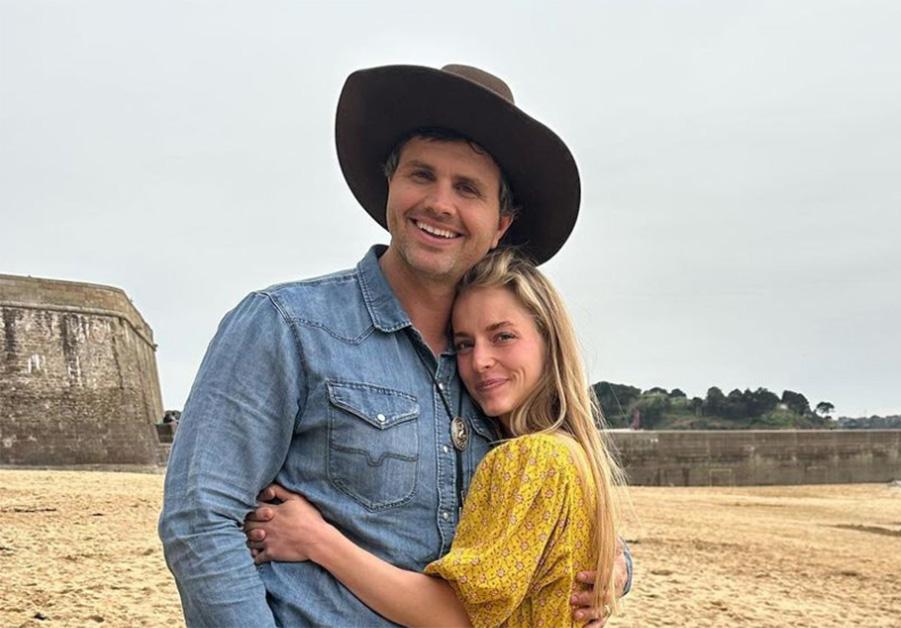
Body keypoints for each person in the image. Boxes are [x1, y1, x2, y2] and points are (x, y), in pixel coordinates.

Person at [158, 64, 631, 626]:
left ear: (500, 223)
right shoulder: (286, 324)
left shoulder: (494, 374)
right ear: (390, 185)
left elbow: (548, 510)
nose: (439, 203)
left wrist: (616, 569)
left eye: (468, 188)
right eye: (421, 175)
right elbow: (201, 518)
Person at [243, 248, 626, 626]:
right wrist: (619, 569)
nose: (480, 361)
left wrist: (317, 540)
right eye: (464, 344)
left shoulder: (529, 458)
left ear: (549, 341)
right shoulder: (575, 455)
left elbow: (455, 615)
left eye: (504, 336)